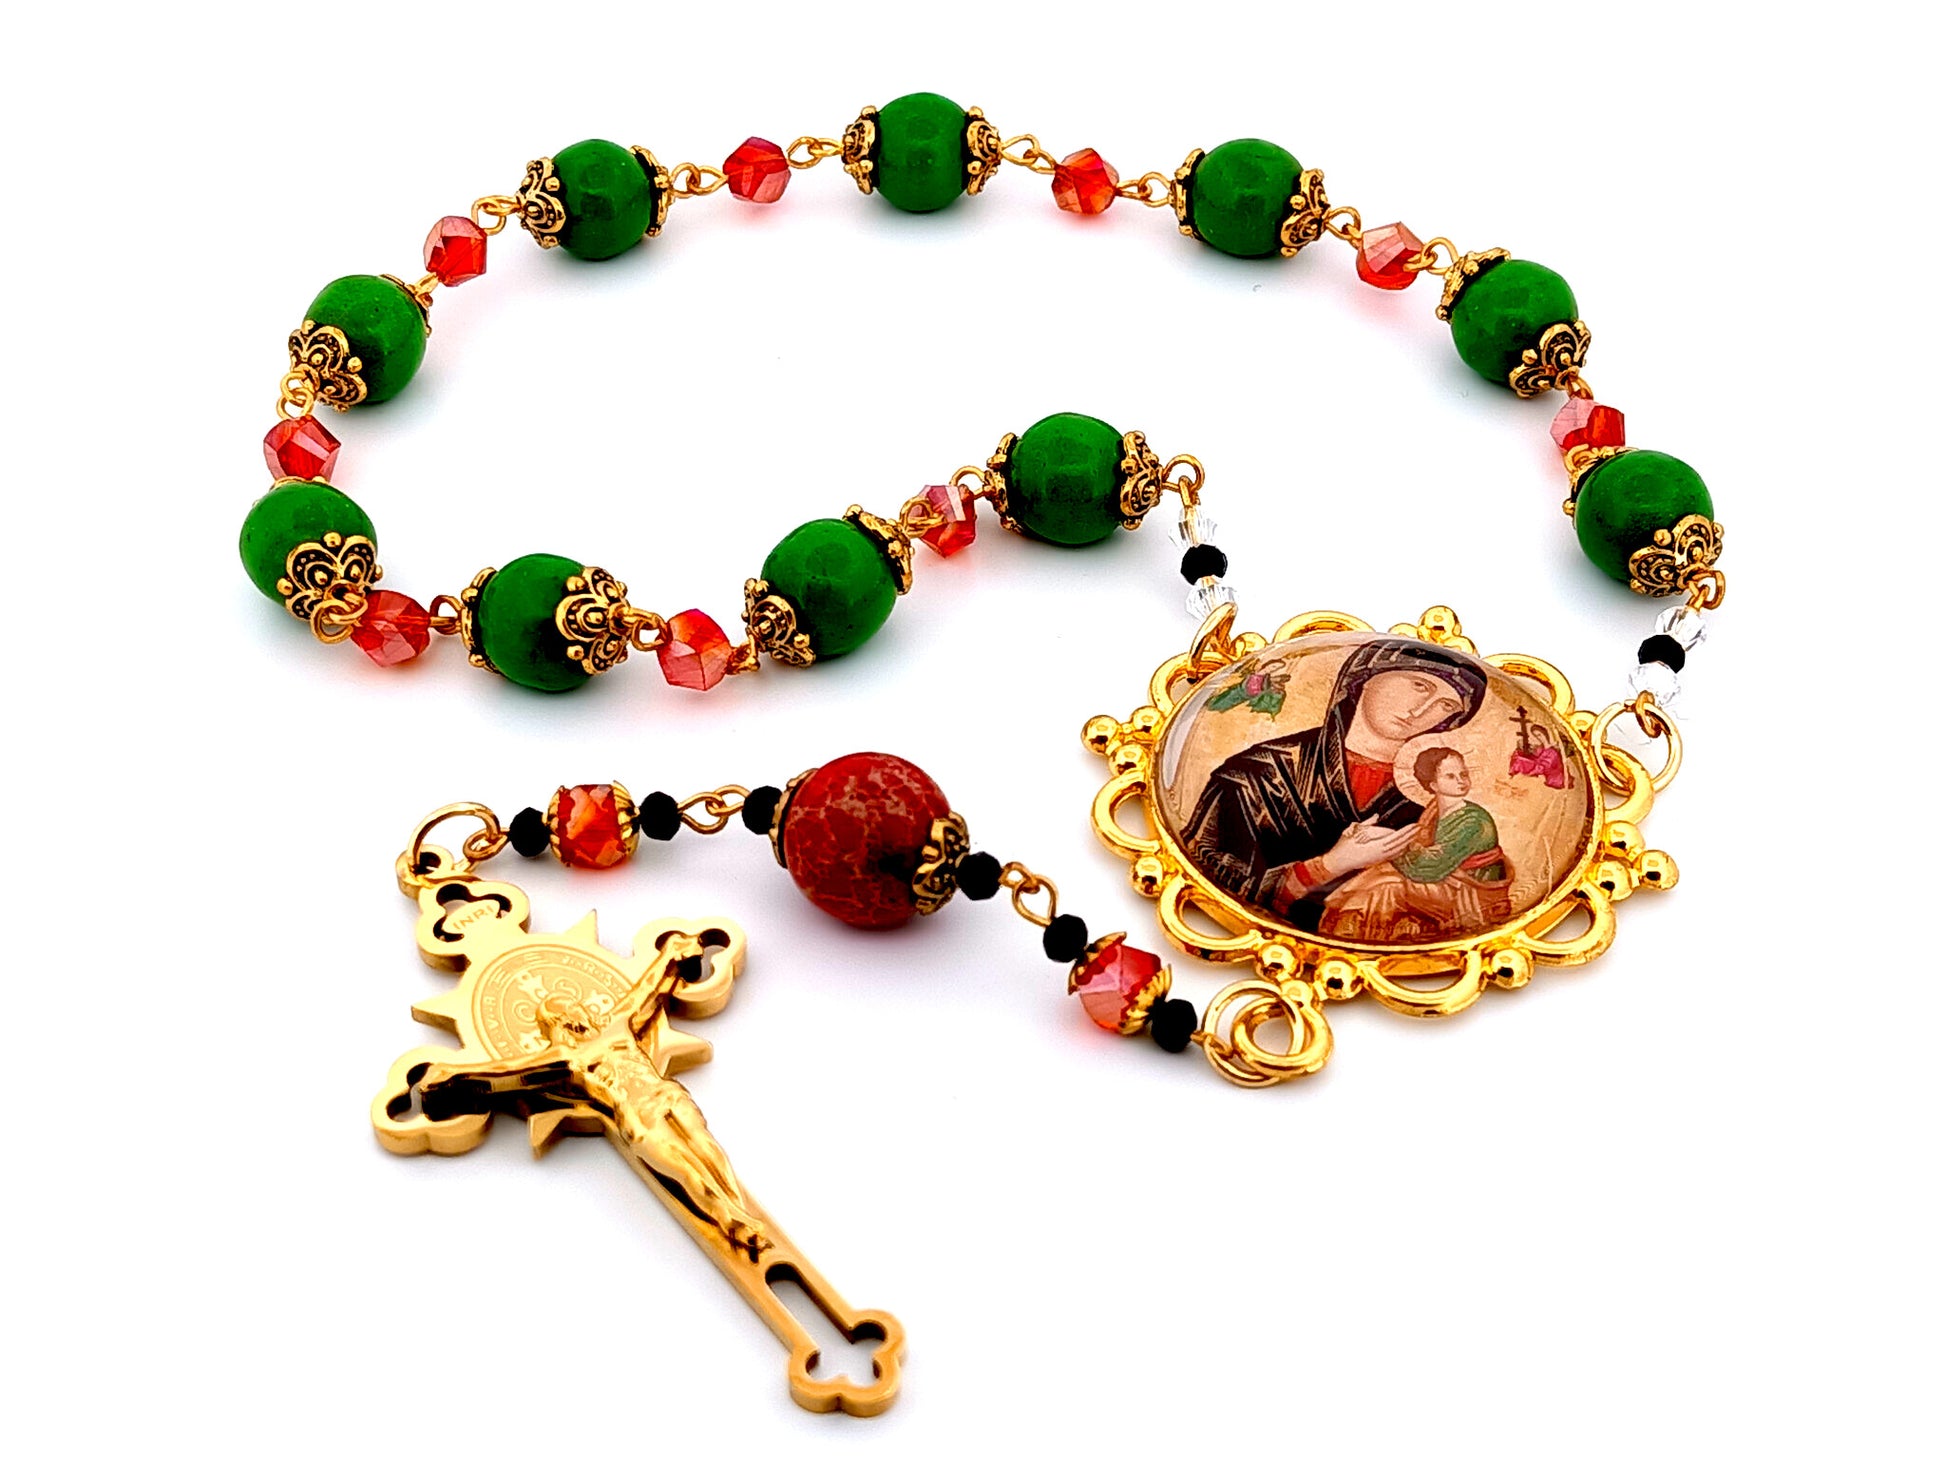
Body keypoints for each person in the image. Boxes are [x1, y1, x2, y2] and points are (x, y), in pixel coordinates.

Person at [1178, 638, 1488, 931]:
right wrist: (1329, 865)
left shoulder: (1427, 807)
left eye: (1446, 706)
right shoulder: (1255, 776)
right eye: (1419, 686)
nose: (1421, 711)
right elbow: (1214, 870)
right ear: (1365, 677)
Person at [1319, 746, 1512, 941]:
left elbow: (1428, 867)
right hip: (1445, 880)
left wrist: (1387, 837)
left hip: (1468, 891)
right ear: (1433, 784)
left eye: (1463, 774)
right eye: (1450, 776)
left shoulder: (1474, 820)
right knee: (1376, 874)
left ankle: (1366, 940)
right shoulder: (1434, 810)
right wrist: (1375, 837)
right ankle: (1348, 928)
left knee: (1388, 888)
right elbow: (1420, 850)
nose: (1461, 781)